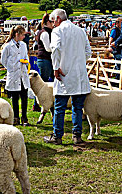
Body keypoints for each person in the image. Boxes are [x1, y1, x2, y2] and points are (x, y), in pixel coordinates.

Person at [43, 8, 91, 145]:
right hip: (79, 74)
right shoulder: (81, 31)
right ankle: (77, 136)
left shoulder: (58, 31)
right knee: (77, 107)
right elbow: (88, 51)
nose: (52, 24)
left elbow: (56, 49)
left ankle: (57, 136)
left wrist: (56, 68)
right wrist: (79, 62)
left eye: (53, 21)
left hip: (64, 73)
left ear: (58, 19)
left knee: (60, 107)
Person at [0, 25, 31, 126]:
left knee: (24, 97)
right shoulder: (8, 46)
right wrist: (11, 67)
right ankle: (16, 117)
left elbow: (26, 56)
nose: (23, 37)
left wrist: (25, 62)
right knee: (15, 98)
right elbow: (3, 60)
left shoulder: (23, 45)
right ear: (17, 34)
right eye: (22, 35)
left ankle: (25, 118)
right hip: (14, 75)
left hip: (22, 74)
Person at [33, 13, 55, 116]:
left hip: (48, 60)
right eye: (51, 22)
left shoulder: (49, 32)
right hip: (45, 60)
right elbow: (48, 48)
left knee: (52, 82)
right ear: (47, 22)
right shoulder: (45, 33)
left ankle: (52, 103)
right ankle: (37, 104)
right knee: (42, 84)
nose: (53, 24)